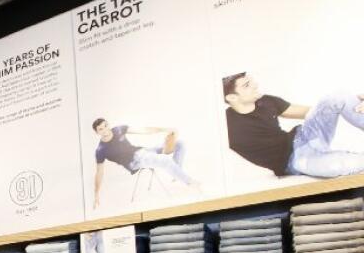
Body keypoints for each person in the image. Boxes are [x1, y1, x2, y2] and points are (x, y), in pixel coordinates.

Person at [223, 73, 364, 178]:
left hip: (305, 135)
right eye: (246, 85)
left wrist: (350, 101)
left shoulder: (266, 101)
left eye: (251, 81)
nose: (255, 85)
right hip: (295, 160)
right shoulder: (224, 126)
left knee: (338, 96)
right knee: (341, 166)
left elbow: (314, 112)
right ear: (232, 98)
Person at [90, 118, 197, 210]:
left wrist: (165, 129)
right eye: (101, 129)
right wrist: (96, 194)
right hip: (135, 162)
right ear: (97, 133)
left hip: (143, 151)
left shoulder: (118, 129)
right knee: (165, 160)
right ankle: (191, 183)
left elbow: (144, 130)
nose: (105, 130)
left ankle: (177, 177)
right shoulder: (101, 150)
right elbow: (99, 172)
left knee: (180, 144)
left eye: (106, 125)